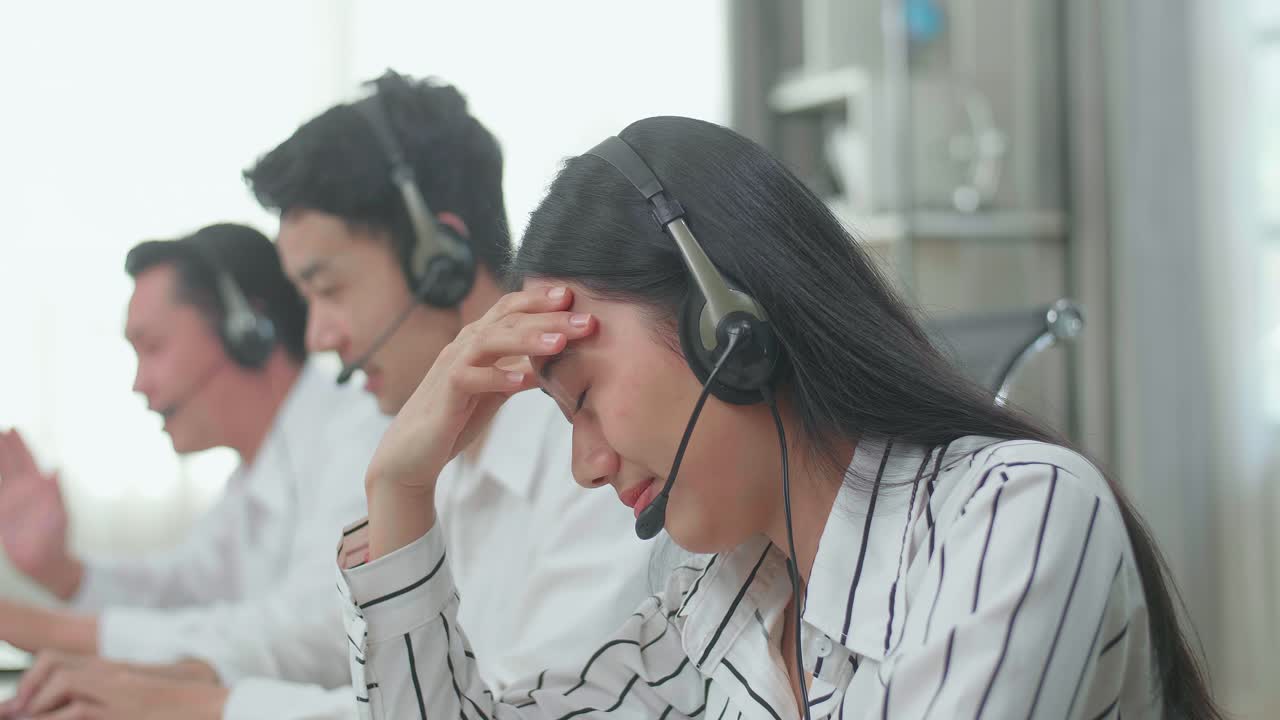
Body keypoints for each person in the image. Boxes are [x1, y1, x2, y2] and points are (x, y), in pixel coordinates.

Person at [333, 116, 1222, 719]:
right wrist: (402, 487)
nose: (587, 465)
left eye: (586, 398)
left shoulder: (1016, 520)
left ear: (729, 327)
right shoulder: (719, 601)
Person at [10, 73, 651, 720]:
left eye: (330, 288)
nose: (317, 335)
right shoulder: (441, 463)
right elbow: (392, 696)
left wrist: (191, 704)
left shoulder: (595, 460)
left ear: (441, 258)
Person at [0, 223, 387, 717]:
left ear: (248, 328)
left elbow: (316, 631)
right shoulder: (254, 477)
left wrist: (37, 626)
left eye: (153, 347)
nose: (140, 384)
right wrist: (63, 574)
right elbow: (184, 592)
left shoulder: (359, 435)